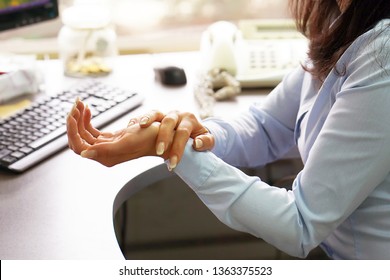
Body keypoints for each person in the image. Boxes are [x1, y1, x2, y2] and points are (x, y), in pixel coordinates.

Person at [67, 0, 390, 259]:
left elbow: (301, 225)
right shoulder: (346, 20)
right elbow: (266, 126)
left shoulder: (383, 55)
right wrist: (187, 132)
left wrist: (172, 150)